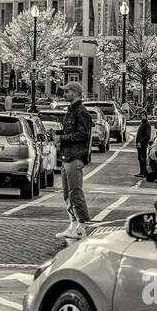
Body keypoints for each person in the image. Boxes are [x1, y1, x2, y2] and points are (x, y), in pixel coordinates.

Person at [55, 81, 93, 237]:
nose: (64, 94)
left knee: (75, 192)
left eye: (67, 92)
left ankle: (81, 227)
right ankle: (73, 225)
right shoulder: (71, 111)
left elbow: (83, 134)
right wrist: (59, 136)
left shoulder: (81, 112)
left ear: (76, 93)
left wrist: (61, 138)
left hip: (75, 157)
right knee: (67, 194)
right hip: (67, 156)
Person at [134, 113, 153, 178]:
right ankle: (141, 172)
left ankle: (144, 173)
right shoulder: (142, 124)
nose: (142, 117)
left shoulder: (147, 124)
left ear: (146, 116)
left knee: (143, 158)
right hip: (139, 145)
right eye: (141, 116)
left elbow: (148, 136)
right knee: (140, 158)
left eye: (143, 116)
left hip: (143, 145)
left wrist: (141, 142)